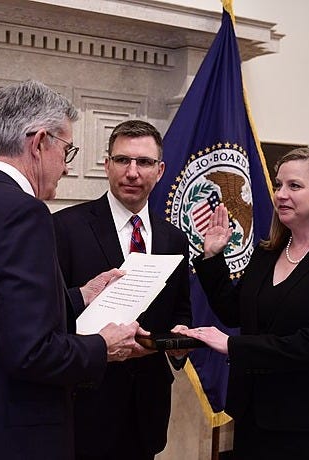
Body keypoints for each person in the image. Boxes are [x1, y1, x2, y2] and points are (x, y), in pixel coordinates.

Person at [0, 80, 142, 460]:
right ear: (39, 143)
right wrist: (103, 346)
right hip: (7, 438)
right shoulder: (25, 213)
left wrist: (79, 296)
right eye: (66, 151)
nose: (66, 168)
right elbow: (32, 353)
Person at [181, 147, 309, 459]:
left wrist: (234, 346)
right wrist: (212, 257)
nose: (280, 194)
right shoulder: (269, 251)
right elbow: (234, 310)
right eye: (278, 185)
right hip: (254, 416)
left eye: (294, 186)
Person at [53, 120, 192, 460]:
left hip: (147, 406)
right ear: (107, 165)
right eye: (122, 160)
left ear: (159, 170)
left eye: (143, 163)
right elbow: (51, 315)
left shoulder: (173, 237)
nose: (132, 172)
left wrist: (178, 343)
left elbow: (181, 311)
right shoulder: (64, 227)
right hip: (84, 405)